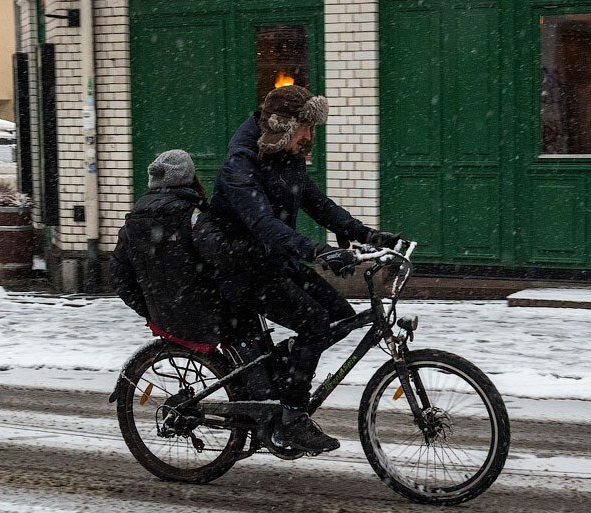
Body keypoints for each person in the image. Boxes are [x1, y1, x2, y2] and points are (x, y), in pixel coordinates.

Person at [194, 85, 399, 454]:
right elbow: (263, 225)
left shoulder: (284, 158)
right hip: (240, 268)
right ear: (283, 127)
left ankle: (279, 378)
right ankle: (290, 418)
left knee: (338, 315)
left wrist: (367, 234)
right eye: (305, 128)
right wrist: (317, 250)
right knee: (314, 323)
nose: (310, 136)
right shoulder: (240, 164)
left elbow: (318, 204)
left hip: (270, 262)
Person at [110, 149, 226, 351]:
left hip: (165, 321)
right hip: (207, 321)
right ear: (189, 178)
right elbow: (222, 256)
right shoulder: (193, 216)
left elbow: (119, 276)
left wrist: (150, 311)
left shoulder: (133, 222)